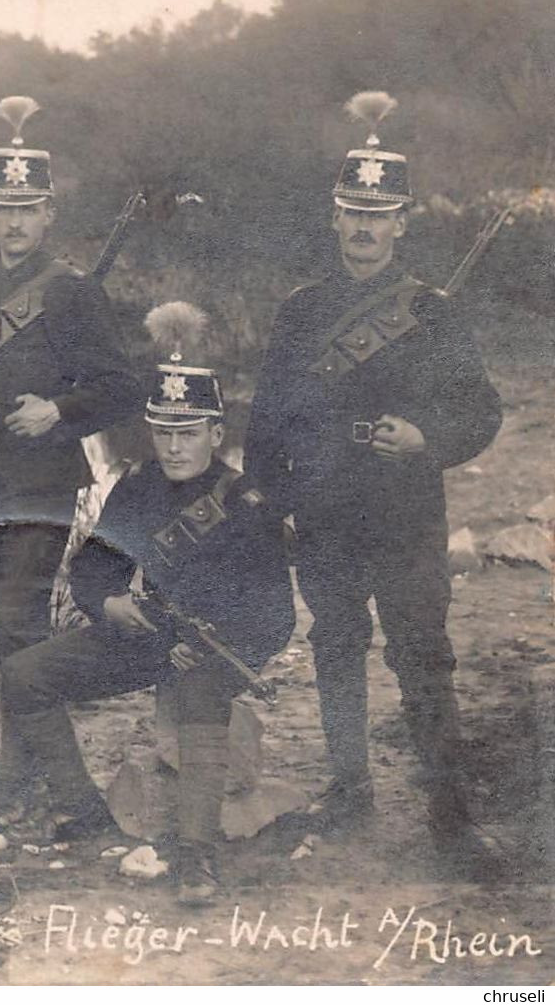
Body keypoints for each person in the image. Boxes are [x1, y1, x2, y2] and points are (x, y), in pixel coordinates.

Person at [243, 92, 503, 876]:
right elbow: (266, 421)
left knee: (423, 655)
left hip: (404, 510)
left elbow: (481, 412)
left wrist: (428, 439)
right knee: (334, 645)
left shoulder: (431, 312)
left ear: (401, 222)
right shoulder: (302, 311)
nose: (363, 226)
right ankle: (349, 786)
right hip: (324, 511)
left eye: (378, 212)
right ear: (333, 216)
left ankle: (450, 819)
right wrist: (267, 502)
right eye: (352, 210)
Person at [0, 302, 294, 905]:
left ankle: (196, 856)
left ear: (216, 434)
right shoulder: (136, 487)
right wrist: (108, 606)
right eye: (164, 433)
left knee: (199, 691)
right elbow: (92, 568)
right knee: (23, 674)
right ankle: (83, 809)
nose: (176, 448)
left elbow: (275, 614)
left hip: (216, 650)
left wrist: (219, 651)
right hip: (145, 632)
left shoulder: (247, 502)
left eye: (188, 435)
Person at [0, 96, 139, 827]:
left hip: (39, 483)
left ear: (47, 216)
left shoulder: (70, 292)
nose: (14, 221)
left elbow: (119, 388)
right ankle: (19, 762)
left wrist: (58, 413)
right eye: (3, 207)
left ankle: (27, 783)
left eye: (27, 208)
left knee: (18, 623)